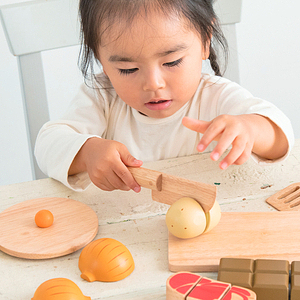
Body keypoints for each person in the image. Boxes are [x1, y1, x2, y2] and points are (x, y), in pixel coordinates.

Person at [35, 0, 294, 193]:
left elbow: (281, 138)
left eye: (171, 62)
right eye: (128, 69)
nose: (153, 84)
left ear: (206, 40)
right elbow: (47, 144)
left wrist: (250, 129)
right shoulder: (102, 97)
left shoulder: (216, 96)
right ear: (101, 59)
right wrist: (87, 152)